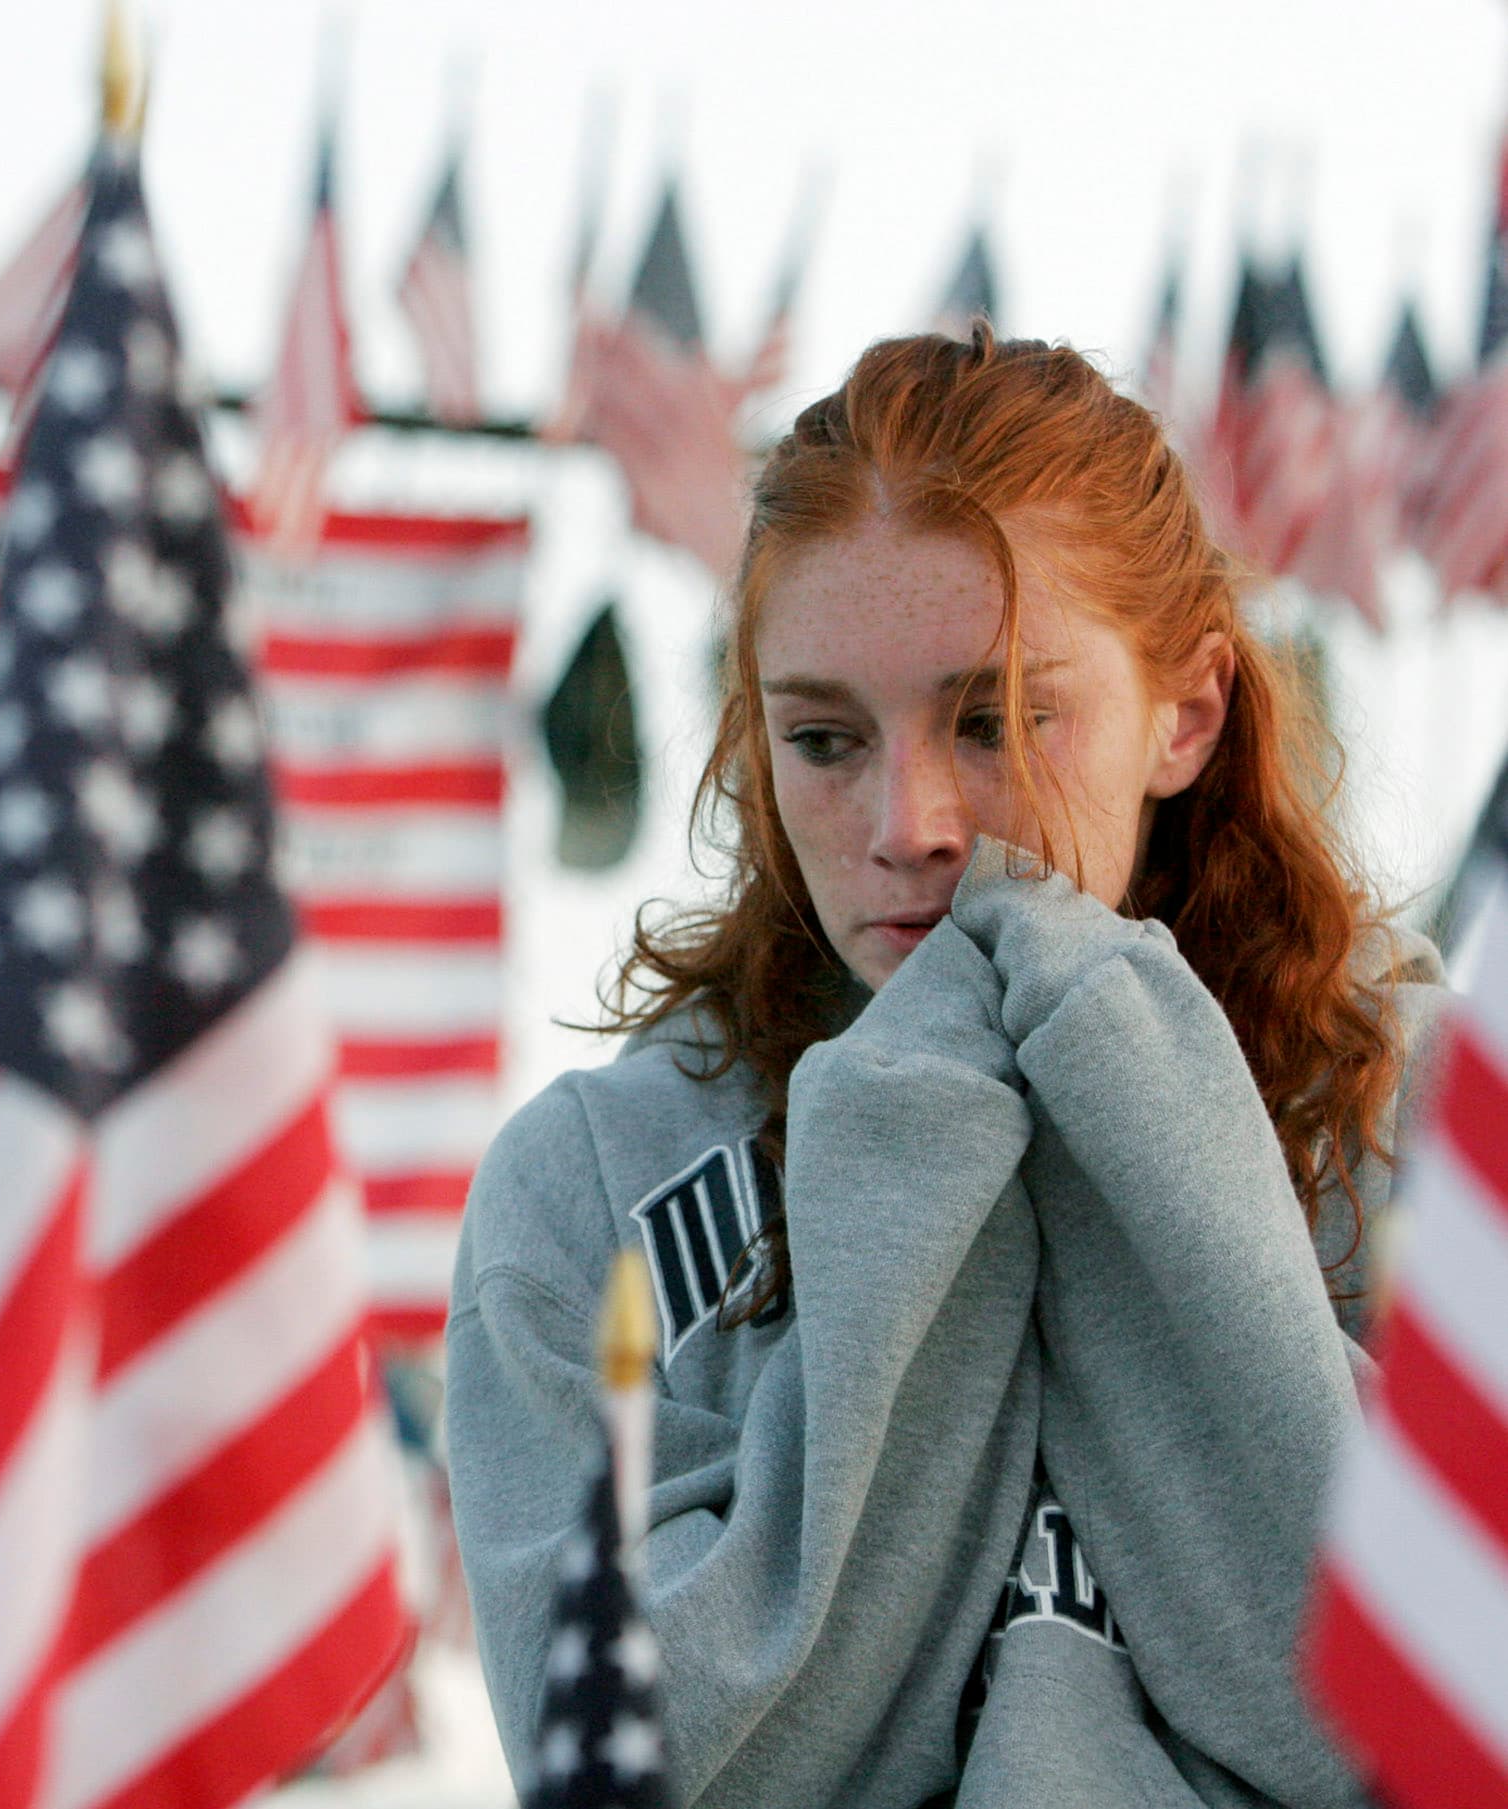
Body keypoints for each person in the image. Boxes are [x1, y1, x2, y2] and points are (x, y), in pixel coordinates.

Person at [444, 327, 1451, 1808]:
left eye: (996, 720)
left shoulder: (1417, 1121)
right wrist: (911, 1149)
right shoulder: (587, 1190)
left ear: (1188, 712)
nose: (908, 817)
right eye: (825, 737)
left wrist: (1132, 1102)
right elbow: (639, 1777)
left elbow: (1414, 1733)